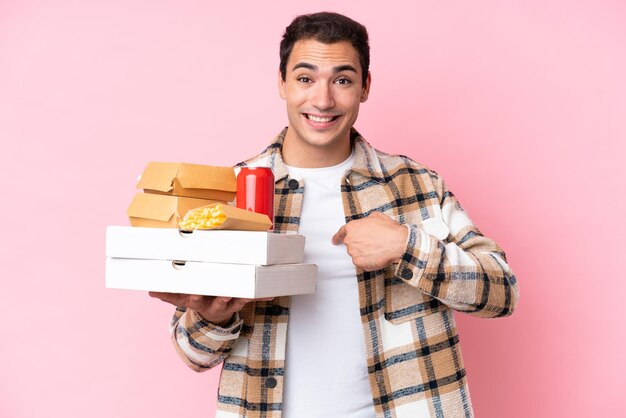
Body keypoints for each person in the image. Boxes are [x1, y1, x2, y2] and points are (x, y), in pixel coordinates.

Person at [150, 11, 519, 418]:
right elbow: (192, 354)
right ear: (282, 83)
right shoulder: (231, 194)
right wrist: (211, 316)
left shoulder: (416, 184)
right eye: (305, 78)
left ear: (364, 87)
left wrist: (406, 246)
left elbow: (502, 292)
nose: (323, 100)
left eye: (342, 80)